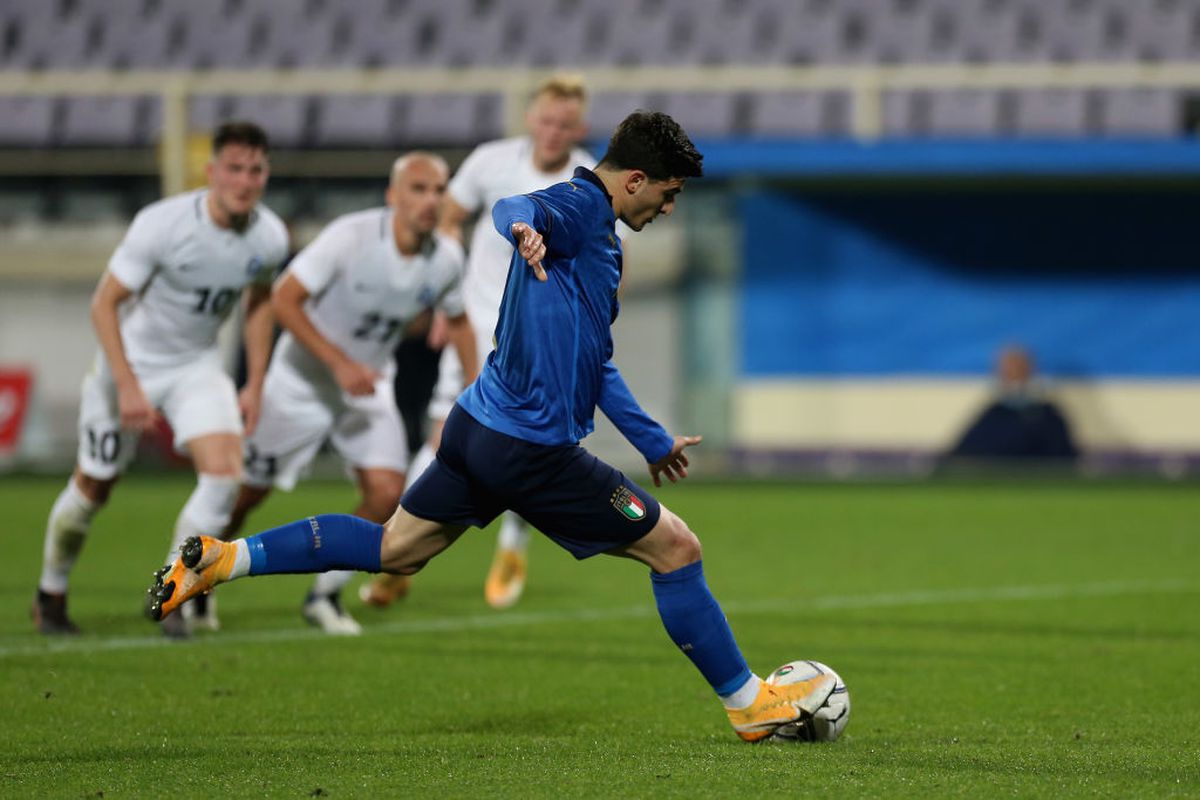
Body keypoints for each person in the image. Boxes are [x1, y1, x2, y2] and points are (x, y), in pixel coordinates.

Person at [146, 111, 835, 742]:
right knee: (676, 549)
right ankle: (750, 706)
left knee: (396, 549)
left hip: (477, 428)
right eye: (669, 191)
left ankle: (223, 559)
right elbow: (519, 206)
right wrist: (519, 227)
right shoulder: (578, 207)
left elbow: (595, 360)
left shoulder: (603, 240)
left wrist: (650, 440)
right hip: (532, 452)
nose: (669, 204)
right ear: (634, 180)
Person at [33, 121, 289, 636]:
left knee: (223, 476)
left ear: (265, 175)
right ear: (211, 171)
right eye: (234, 169)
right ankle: (50, 593)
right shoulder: (163, 224)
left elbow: (260, 304)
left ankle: (173, 593)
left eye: (255, 170)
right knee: (93, 488)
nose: (245, 180)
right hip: (129, 364)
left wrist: (255, 381)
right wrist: (126, 385)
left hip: (196, 366)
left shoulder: (270, 236)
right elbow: (104, 304)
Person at [362, 73, 599, 611]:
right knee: (446, 438)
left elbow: (609, 263)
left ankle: (511, 543)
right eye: (546, 119)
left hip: (539, 337)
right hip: (475, 322)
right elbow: (450, 217)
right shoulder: (491, 161)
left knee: (530, 440)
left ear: (579, 127)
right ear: (530, 119)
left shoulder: (588, 183)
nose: (554, 131)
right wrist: (445, 293)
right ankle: (398, 551)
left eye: (566, 123)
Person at [213, 152, 476, 635]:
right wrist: (338, 363)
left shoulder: (446, 258)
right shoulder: (350, 237)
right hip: (301, 383)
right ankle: (199, 574)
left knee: (386, 493)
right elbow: (284, 300)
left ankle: (325, 594)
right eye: (418, 189)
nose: (430, 201)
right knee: (247, 493)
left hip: (367, 386)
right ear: (392, 196)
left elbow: (459, 321)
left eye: (439, 191)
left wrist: (478, 386)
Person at [946, 345, 1079, 463]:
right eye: (1008, 370)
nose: (1013, 375)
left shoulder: (1048, 415)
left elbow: (1064, 458)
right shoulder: (993, 414)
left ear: (1030, 371)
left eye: (1018, 369)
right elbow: (965, 453)